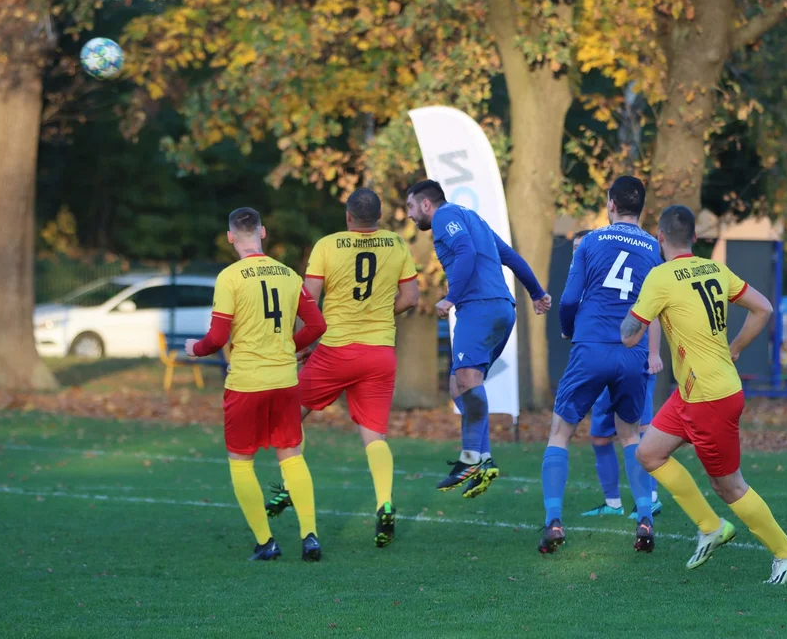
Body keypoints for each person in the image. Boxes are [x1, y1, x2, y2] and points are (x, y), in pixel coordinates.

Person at [625, 204, 787, 585]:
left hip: (708, 397)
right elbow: (764, 307)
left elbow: (629, 335)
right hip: (697, 391)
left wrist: (634, 315)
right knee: (649, 453)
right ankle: (711, 527)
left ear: (660, 238)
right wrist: (736, 347)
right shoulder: (714, 268)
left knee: (728, 485)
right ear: (694, 238)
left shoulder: (660, 277)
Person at [265, 188, 419, 549]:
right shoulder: (397, 244)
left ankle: (291, 487)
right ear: (379, 217)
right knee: (374, 437)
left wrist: (302, 346)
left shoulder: (327, 245)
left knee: (286, 415)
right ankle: (383, 502)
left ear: (348, 216)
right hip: (380, 353)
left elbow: (309, 302)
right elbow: (411, 298)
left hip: (335, 350)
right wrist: (380, 315)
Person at [186, 207, 327, 562]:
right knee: (291, 456)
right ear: (263, 233)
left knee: (241, 462)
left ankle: (267, 543)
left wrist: (195, 349)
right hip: (284, 380)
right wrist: (287, 347)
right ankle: (310, 537)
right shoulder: (288, 274)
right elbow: (316, 326)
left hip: (247, 382)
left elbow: (217, 337)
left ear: (231, 237)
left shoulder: (230, 277)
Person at [539, 176, 662, 554]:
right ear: (641, 207)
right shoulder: (655, 248)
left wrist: (566, 331)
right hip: (631, 352)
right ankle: (644, 516)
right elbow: (657, 309)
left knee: (560, 433)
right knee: (631, 437)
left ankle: (553, 521)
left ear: (610, 203)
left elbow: (569, 299)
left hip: (591, 346)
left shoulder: (591, 241)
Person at [406, 179, 551, 498]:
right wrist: (537, 293)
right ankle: (483, 459)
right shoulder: (474, 220)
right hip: (502, 309)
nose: (409, 215)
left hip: (479, 307)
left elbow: (465, 251)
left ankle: (472, 457)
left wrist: (451, 297)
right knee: (458, 384)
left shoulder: (445, 217)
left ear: (427, 204)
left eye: (411, 207)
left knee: (467, 381)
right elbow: (510, 256)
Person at [568, 229, 664, 520]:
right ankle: (612, 503)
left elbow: (653, 314)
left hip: (635, 362)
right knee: (599, 435)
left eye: (580, 246)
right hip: (602, 363)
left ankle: (651, 498)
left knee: (641, 433)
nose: (577, 252)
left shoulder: (627, 275)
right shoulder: (587, 283)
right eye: (574, 247)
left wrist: (653, 354)